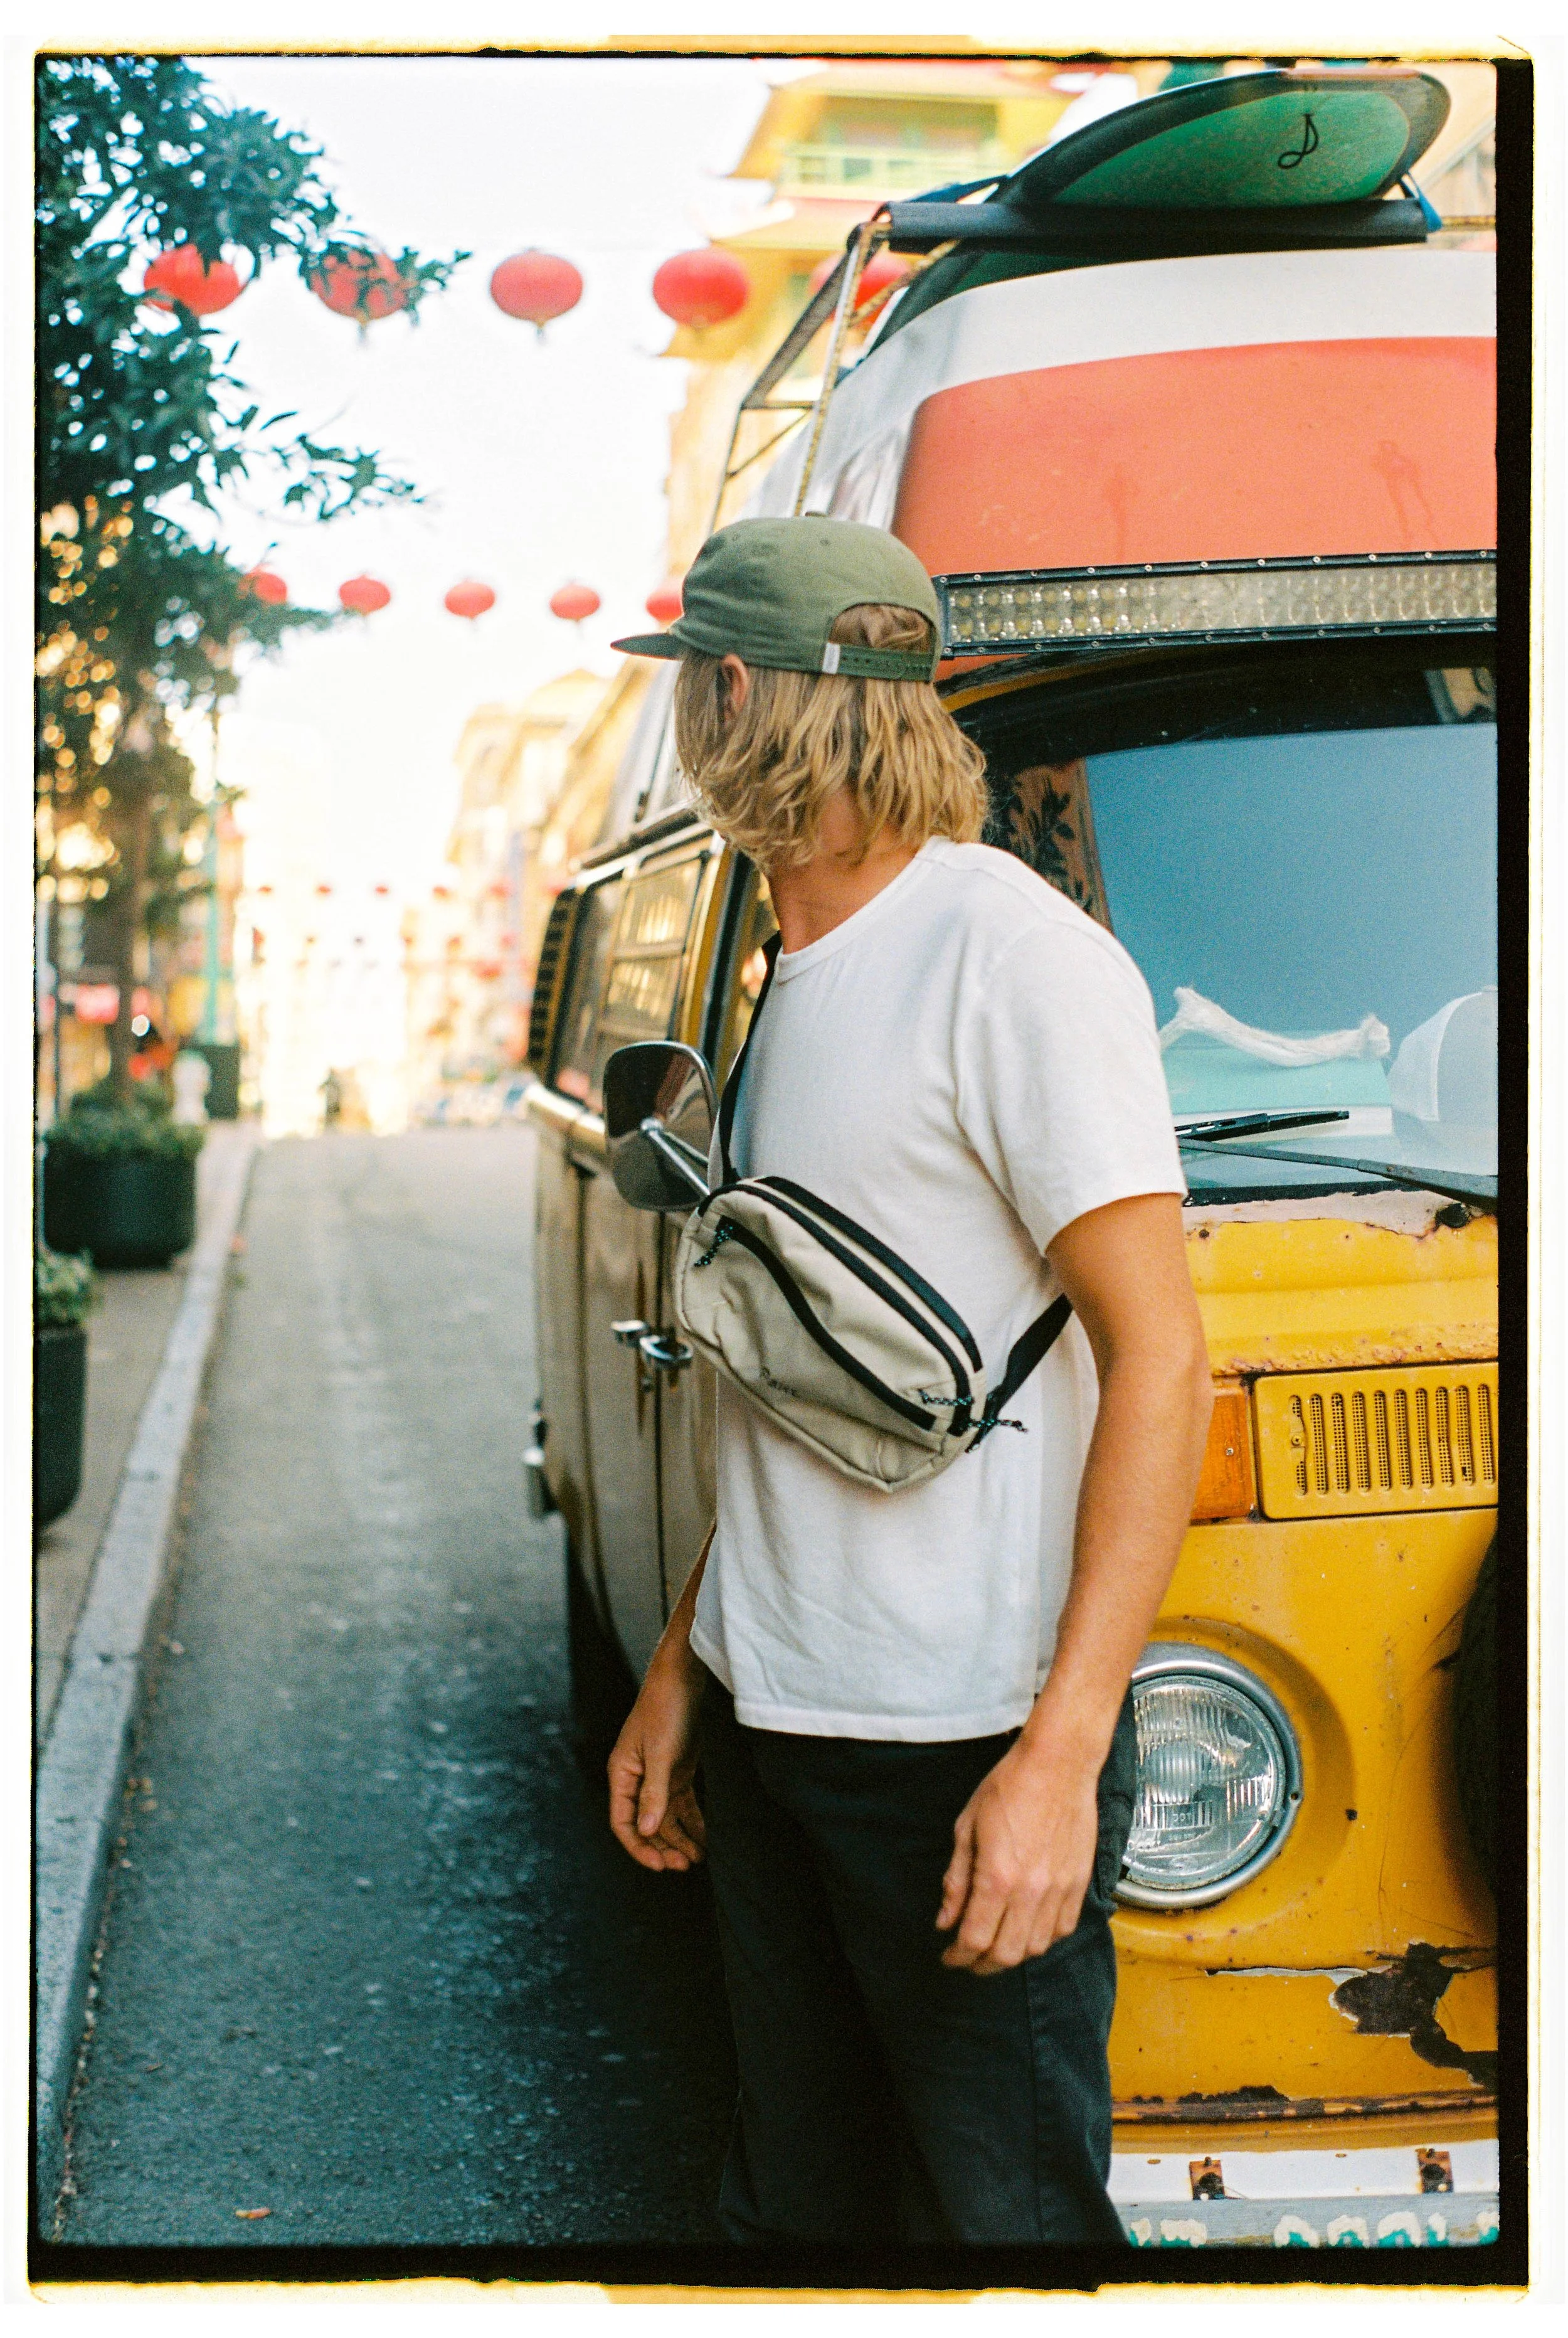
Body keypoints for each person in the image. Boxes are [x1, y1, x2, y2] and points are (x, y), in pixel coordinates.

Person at [606, 517, 1214, 2249]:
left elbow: (1158, 1353)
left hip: (958, 1743)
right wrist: (685, 1664)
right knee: (798, 2217)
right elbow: (801, 1375)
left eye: (687, 695)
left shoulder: (1005, 957)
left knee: (998, 2228)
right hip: (779, 1717)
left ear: (727, 692)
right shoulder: (793, 967)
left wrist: (1059, 1759)